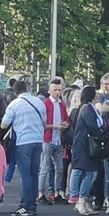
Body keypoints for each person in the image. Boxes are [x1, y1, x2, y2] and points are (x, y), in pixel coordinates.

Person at [0, 80, 45, 216]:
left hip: (23, 141)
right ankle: (33, 205)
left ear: (15, 92)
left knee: (25, 175)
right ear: (27, 88)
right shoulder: (39, 102)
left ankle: (25, 205)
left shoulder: (14, 104)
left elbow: (4, 125)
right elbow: (44, 121)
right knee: (34, 174)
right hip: (38, 140)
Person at [70, 86, 106, 216]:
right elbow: (91, 124)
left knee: (90, 172)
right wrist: (101, 132)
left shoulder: (88, 107)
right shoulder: (87, 108)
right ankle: (81, 199)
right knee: (90, 172)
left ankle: (84, 201)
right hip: (84, 145)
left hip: (84, 144)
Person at [38, 77, 70, 206]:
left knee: (60, 168)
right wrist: (55, 126)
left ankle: (57, 193)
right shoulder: (45, 104)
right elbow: (42, 123)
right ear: (50, 91)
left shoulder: (62, 104)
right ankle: (40, 193)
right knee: (44, 167)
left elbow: (67, 119)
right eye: (55, 90)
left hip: (58, 139)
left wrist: (65, 124)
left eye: (59, 90)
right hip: (48, 139)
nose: (57, 92)